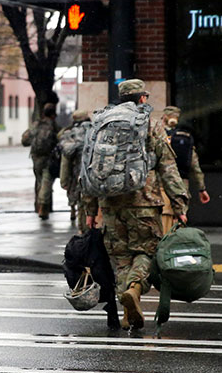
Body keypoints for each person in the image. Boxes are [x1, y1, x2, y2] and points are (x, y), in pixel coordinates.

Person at [84, 80, 190, 330]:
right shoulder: (151, 124)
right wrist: (180, 205)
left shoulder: (101, 123)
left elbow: (88, 169)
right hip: (144, 203)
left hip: (110, 204)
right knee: (146, 252)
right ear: (142, 98)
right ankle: (134, 289)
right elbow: (168, 168)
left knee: (120, 258)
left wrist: (90, 209)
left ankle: (126, 311)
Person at [161, 106, 211, 233]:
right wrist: (202, 188)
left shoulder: (159, 135)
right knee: (180, 216)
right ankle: (176, 244)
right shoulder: (186, 137)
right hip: (182, 184)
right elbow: (195, 166)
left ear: (164, 117)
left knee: (163, 218)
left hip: (162, 183)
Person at [21, 102, 59, 220]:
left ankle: (39, 206)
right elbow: (60, 139)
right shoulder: (53, 125)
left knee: (39, 181)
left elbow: (25, 140)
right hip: (48, 157)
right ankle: (43, 207)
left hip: (36, 158)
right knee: (46, 182)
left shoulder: (36, 124)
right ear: (53, 114)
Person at [58, 110, 92, 232]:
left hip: (78, 177)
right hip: (96, 177)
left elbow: (65, 161)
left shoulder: (70, 134)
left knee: (82, 206)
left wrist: (64, 181)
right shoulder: (94, 130)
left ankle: (84, 235)